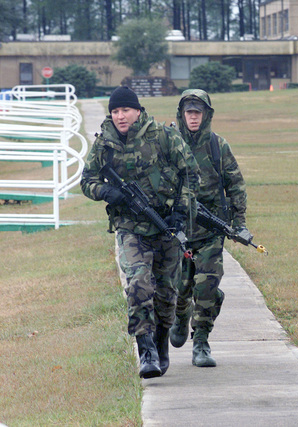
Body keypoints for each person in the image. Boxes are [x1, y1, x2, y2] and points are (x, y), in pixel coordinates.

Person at [81, 86, 200, 378]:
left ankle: (161, 343)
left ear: (137, 110)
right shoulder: (105, 144)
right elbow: (87, 181)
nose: (120, 116)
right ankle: (145, 349)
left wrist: (180, 211)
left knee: (166, 294)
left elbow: (190, 174)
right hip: (131, 228)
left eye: (125, 110)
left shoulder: (163, 136)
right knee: (137, 286)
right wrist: (108, 192)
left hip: (166, 227)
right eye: (115, 111)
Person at [169, 89, 251, 367]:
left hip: (210, 231)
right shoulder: (169, 143)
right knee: (180, 287)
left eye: (198, 112)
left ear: (206, 115)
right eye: (189, 112)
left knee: (206, 286)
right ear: (181, 114)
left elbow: (236, 185)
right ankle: (180, 316)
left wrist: (239, 224)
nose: (193, 117)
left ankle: (201, 341)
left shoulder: (218, 145)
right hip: (177, 231)